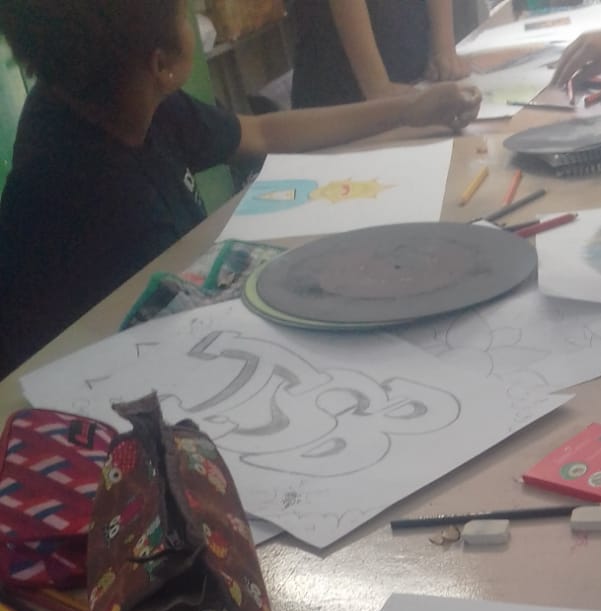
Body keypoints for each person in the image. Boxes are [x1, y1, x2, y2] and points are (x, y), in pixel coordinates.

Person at [0, 0, 480, 376]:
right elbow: (181, 337)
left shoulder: (113, 92)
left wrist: (408, 110)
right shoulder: (94, 197)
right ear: (163, 63)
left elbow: (261, 132)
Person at [290, 0, 471, 109]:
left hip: (414, 75)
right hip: (342, 93)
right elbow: (378, 95)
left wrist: (443, 48)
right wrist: (377, 86)